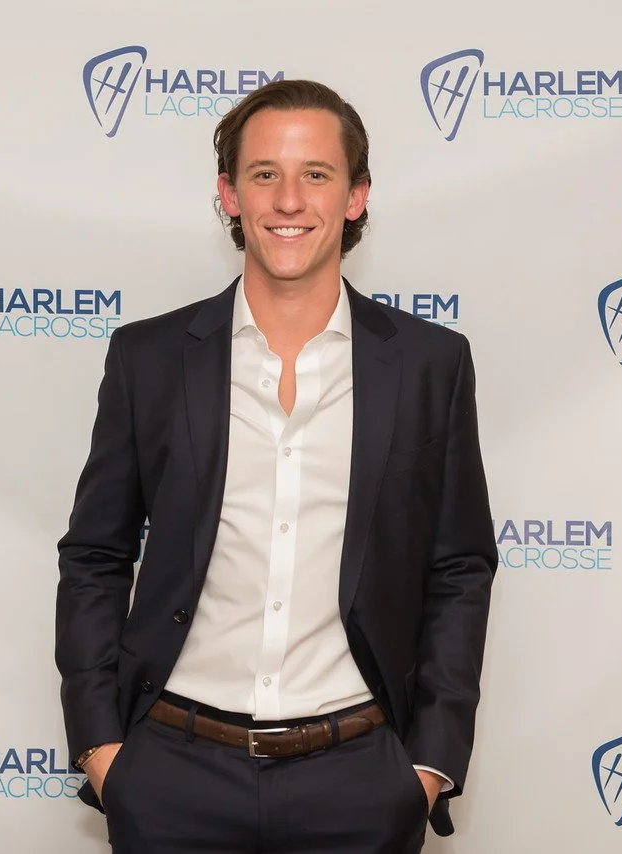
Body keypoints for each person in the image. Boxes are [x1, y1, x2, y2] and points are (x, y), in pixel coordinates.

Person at [56, 79, 497, 853]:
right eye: (264, 174)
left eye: (316, 175)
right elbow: (95, 554)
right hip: (172, 778)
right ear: (229, 195)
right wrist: (104, 753)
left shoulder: (432, 364)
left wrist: (428, 762)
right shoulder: (149, 359)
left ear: (357, 196)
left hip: (360, 782)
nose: (289, 199)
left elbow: (459, 566)